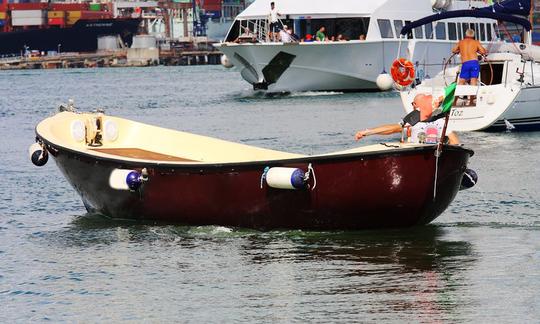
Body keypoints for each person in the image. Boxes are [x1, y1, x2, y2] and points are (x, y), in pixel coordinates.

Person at [354, 93, 459, 145]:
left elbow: (393, 129)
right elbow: (455, 142)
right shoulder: (442, 119)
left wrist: (368, 132)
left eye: (413, 104)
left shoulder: (414, 116)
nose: (413, 106)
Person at [452, 28, 487, 104]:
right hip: (474, 63)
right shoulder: (475, 42)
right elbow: (483, 51)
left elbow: (453, 50)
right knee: (473, 82)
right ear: (473, 35)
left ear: (466, 34)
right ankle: (471, 101)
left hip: (465, 64)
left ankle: (454, 101)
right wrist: (477, 50)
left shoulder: (461, 42)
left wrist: (459, 50)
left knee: (461, 82)